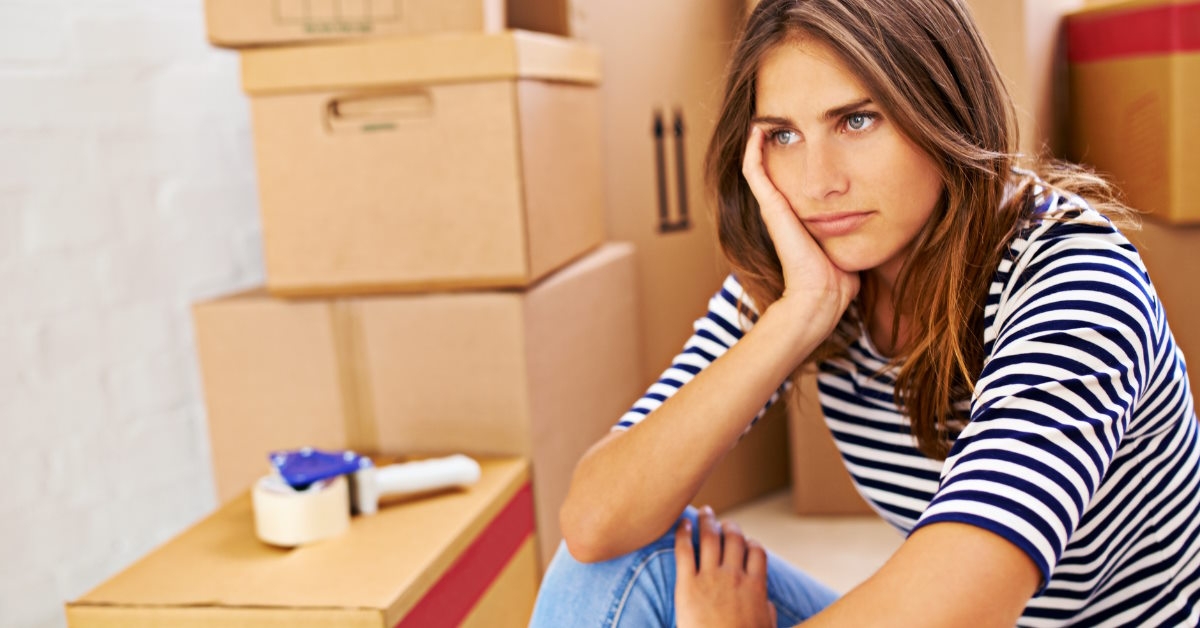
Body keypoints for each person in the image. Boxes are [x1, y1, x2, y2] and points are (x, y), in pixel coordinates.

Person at [530, 0, 1200, 625]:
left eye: (856, 120)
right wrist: (798, 315)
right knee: (625, 566)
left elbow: (966, 603)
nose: (820, 182)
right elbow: (593, 522)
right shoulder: (810, 270)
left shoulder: (1073, 278)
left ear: (942, 107)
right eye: (784, 135)